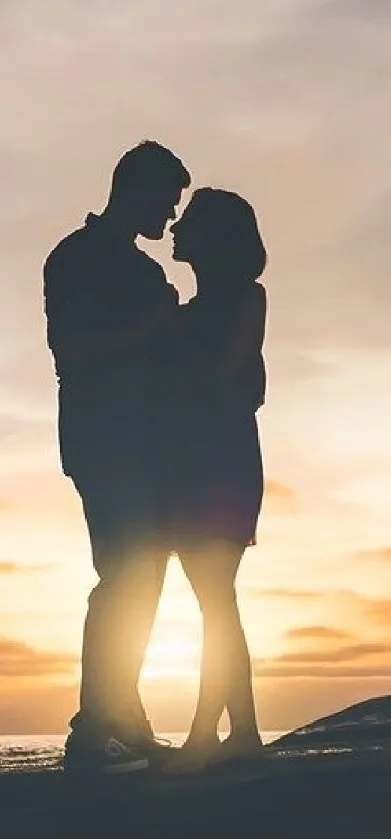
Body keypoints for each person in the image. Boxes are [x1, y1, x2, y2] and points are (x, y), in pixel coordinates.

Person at [44, 141, 190, 774]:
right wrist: (152, 331)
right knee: (122, 575)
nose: (172, 214)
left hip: (147, 442)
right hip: (103, 439)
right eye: (168, 199)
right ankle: (92, 727)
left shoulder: (145, 270)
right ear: (136, 189)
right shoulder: (76, 257)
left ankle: (124, 720)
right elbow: (71, 348)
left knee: (144, 576)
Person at [167, 188, 267, 773]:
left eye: (190, 221)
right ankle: (244, 730)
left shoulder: (245, 298)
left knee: (215, 597)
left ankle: (210, 731)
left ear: (217, 236)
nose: (176, 228)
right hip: (192, 461)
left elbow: (225, 373)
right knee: (215, 600)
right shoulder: (179, 311)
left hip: (222, 462)